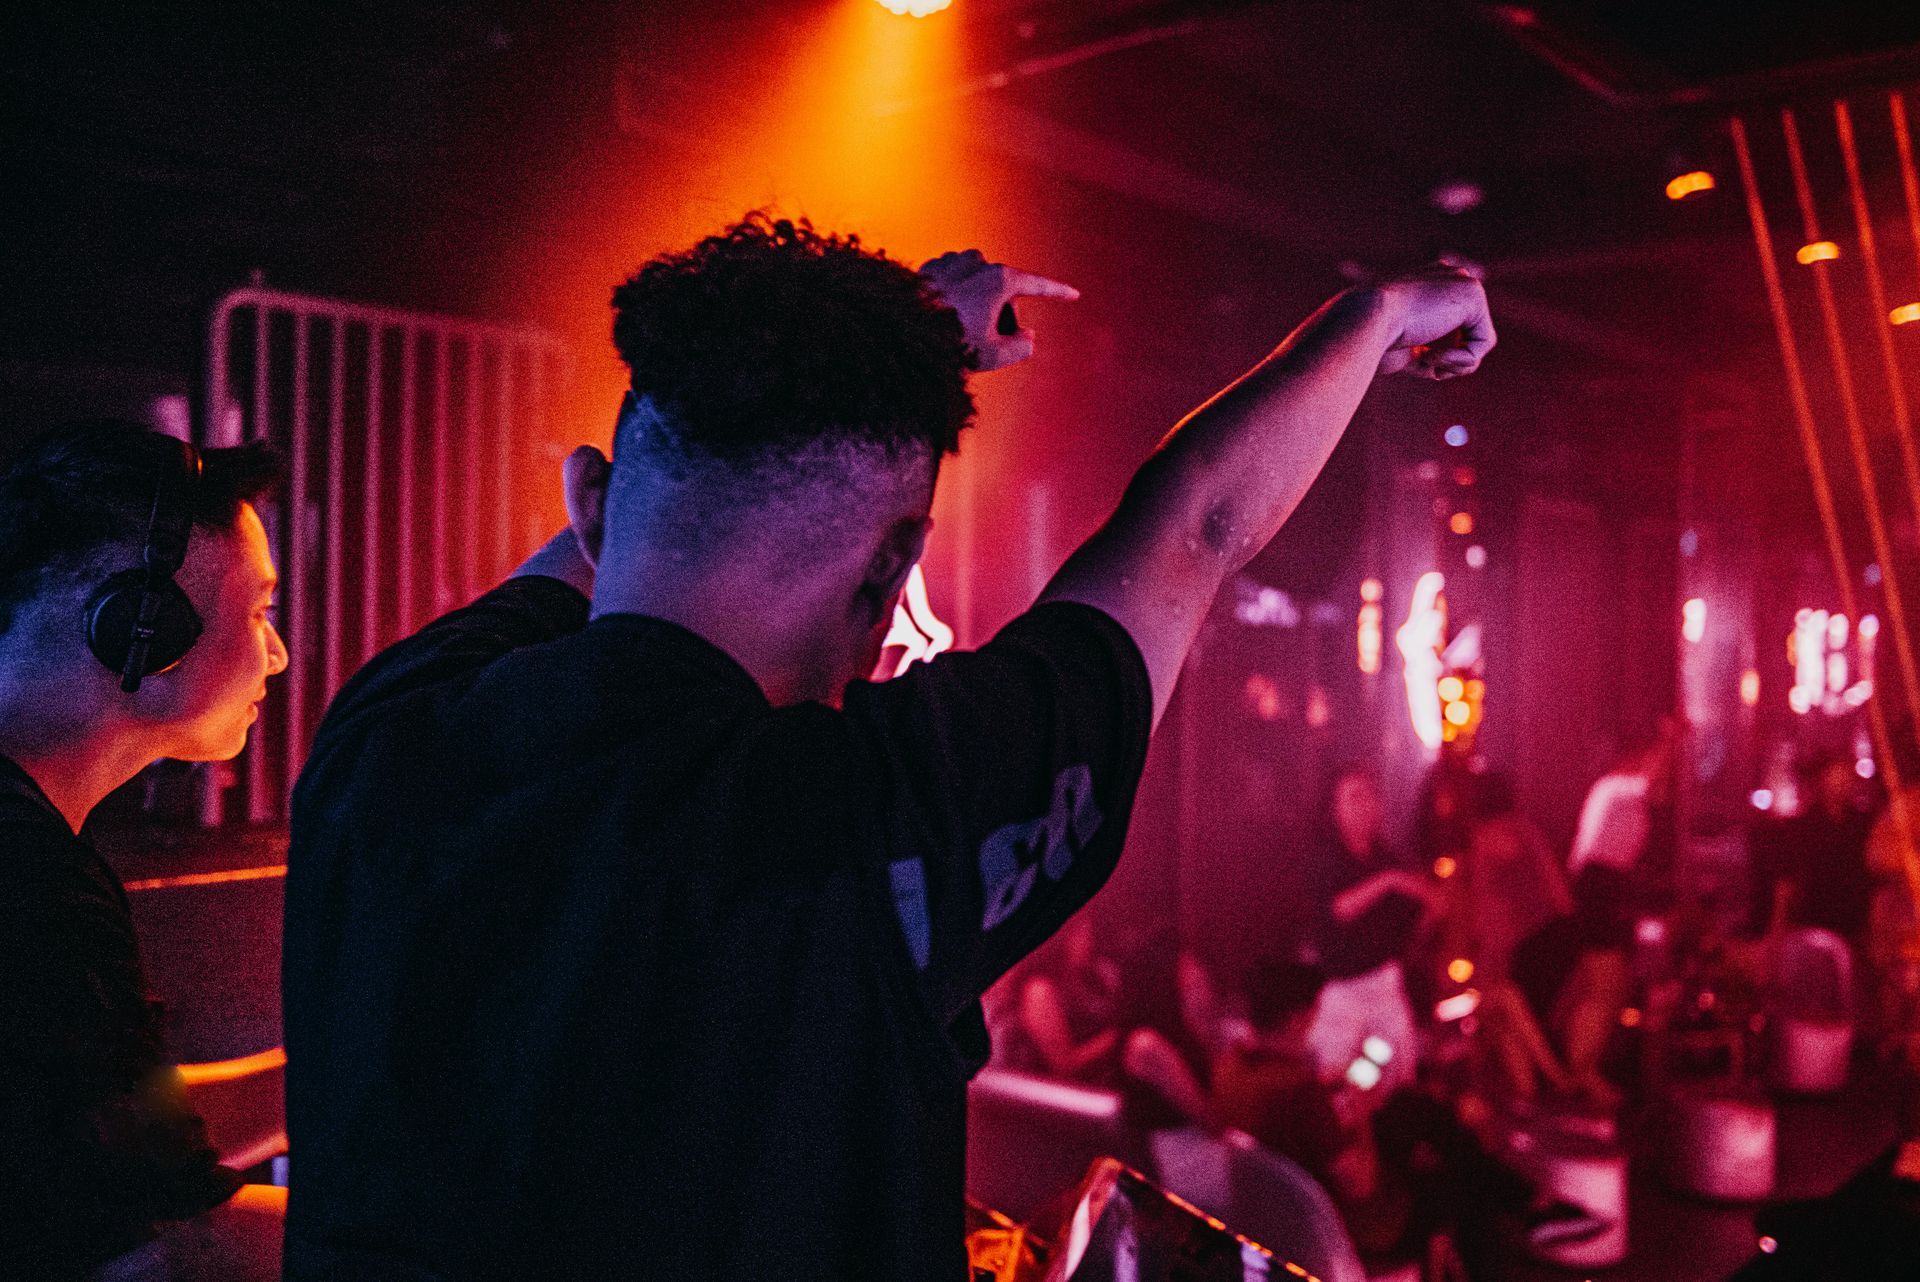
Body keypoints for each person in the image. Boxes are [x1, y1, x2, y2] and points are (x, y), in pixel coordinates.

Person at [280, 214, 1495, 1279]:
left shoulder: (384, 730)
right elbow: (1198, 526)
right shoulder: (873, 812)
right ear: (892, 576)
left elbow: (597, 548)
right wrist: (1374, 316)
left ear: (588, 496)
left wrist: (879, 359)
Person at [0, 421, 290, 1279]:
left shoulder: (33, 845)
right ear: (141, 625)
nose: (275, 653)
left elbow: (103, 1128)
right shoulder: (33, 883)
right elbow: (182, 1242)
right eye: (260, 609)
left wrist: (349, 1066)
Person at [1303, 766, 1441, 1092]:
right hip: (1343, 993)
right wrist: (1387, 883)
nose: (1364, 805)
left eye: (1370, 796)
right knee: (1342, 1080)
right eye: (1354, 798)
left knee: (1395, 1077)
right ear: (1334, 809)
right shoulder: (1326, 860)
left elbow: (1422, 912)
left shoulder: (1388, 857)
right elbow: (1340, 910)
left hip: (1386, 986)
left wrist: (1429, 905)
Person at [999, 911, 1122, 1084]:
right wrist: (1116, 1039)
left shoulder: (1090, 977)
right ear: (1062, 939)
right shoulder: (1039, 990)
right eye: (1080, 934)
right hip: (1068, 1093)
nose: (1088, 941)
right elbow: (1064, 1065)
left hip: (1108, 1077)